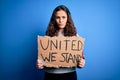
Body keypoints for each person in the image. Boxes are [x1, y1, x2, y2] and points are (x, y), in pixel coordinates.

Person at [36, 5, 85, 80]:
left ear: (68, 18)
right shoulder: (48, 36)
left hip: (69, 76)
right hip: (51, 76)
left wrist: (82, 63)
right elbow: (43, 59)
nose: (61, 20)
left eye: (63, 17)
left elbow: (81, 57)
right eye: (58, 17)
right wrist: (39, 64)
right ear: (54, 19)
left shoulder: (75, 36)